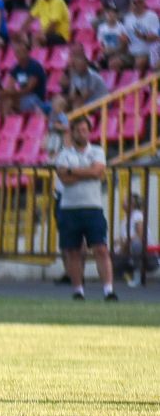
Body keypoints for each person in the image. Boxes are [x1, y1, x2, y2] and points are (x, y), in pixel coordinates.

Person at [53, 116, 117, 301]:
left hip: (92, 206)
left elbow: (97, 172)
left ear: (89, 132)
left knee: (101, 248)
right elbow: (65, 179)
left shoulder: (97, 151)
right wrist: (87, 172)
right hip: (70, 207)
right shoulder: (64, 154)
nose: (82, 133)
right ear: (72, 133)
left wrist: (72, 171)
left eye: (85, 130)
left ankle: (108, 290)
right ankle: (78, 290)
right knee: (72, 251)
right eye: (78, 130)